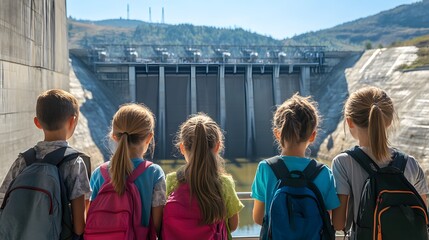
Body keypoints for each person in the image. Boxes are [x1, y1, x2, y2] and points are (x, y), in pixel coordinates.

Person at [331, 86, 429, 238]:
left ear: (350, 122)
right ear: (389, 121)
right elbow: (421, 218)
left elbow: (339, 224)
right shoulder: (411, 164)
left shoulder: (343, 162)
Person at [0, 89, 91, 239]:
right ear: (72, 121)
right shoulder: (74, 162)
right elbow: (79, 226)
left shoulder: (23, 159)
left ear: (37, 122)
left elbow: (3, 200)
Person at [251, 93, 340, 239]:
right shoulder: (323, 172)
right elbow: (326, 218)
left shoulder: (265, 168)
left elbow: (258, 217)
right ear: (312, 136)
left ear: (277, 134)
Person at [87, 103, 165, 238]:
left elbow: (89, 217)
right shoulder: (154, 173)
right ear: (149, 137)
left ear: (114, 136)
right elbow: (158, 225)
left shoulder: (99, 173)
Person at [162, 113, 244, 240]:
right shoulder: (224, 183)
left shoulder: (172, 180)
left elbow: (161, 221)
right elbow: (233, 225)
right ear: (217, 147)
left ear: (182, 148)